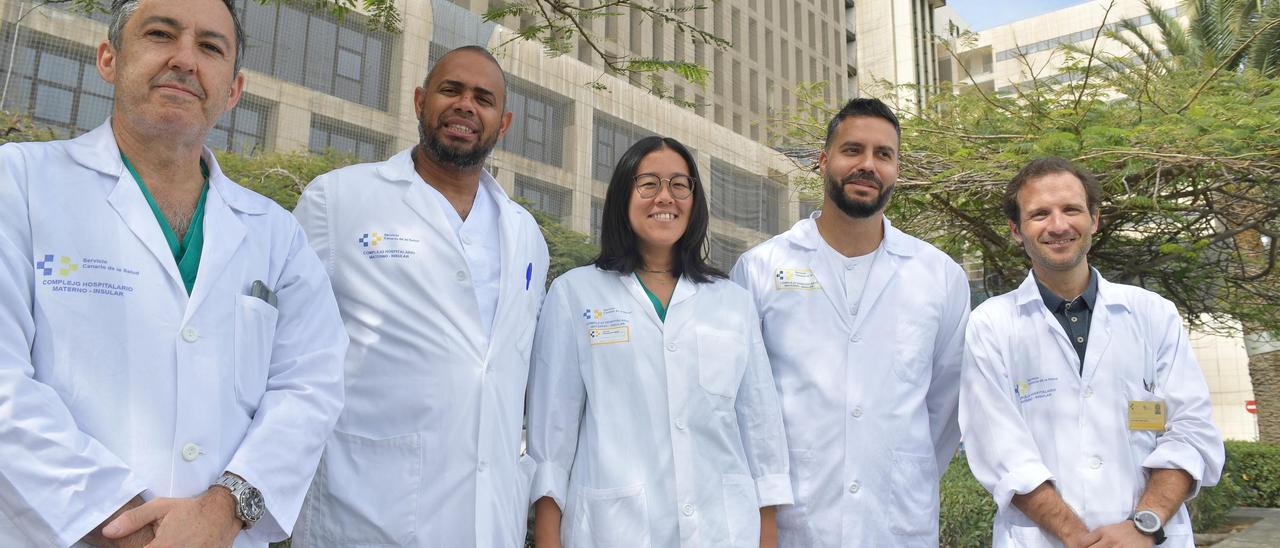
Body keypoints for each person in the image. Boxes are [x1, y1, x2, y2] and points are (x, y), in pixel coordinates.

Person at [0, 0, 348, 546]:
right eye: (161, 34)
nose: (185, 60)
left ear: (232, 90)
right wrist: (127, 526)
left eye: (210, 47)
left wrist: (225, 507)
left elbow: (311, 386)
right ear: (110, 58)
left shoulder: (276, 235)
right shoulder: (17, 185)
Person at [291, 45, 550, 548]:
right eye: (450, 90)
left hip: (488, 517)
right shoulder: (337, 201)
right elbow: (286, 357)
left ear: (504, 122)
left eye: (483, 98)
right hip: (363, 514)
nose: (465, 106)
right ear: (419, 100)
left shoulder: (528, 236)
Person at [526, 136, 791, 547]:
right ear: (622, 197)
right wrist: (547, 538)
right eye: (648, 183)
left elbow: (761, 430)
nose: (664, 197)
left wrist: (767, 537)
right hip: (615, 529)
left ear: (694, 199)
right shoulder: (575, 294)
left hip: (722, 529)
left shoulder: (732, 302)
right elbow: (551, 438)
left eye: (679, 185)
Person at [730, 97, 970, 547]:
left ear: (897, 168)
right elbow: (745, 402)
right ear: (823, 161)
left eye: (884, 154)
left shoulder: (939, 276)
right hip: (795, 520)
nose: (868, 165)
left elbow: (946, 403)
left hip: (898, 519)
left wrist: (901, 466)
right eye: (852, 150)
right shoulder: (760, 269)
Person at [960, 157, 1225, 547]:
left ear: (1094, 219)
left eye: (1071, 209)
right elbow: (1000, 451)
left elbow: (1191, 431)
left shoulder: (1153, 314)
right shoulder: (992, 325)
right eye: (1039, 214)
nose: (1058, 225)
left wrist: (1143, 526)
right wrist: (1078, 538)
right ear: (1017, 230)